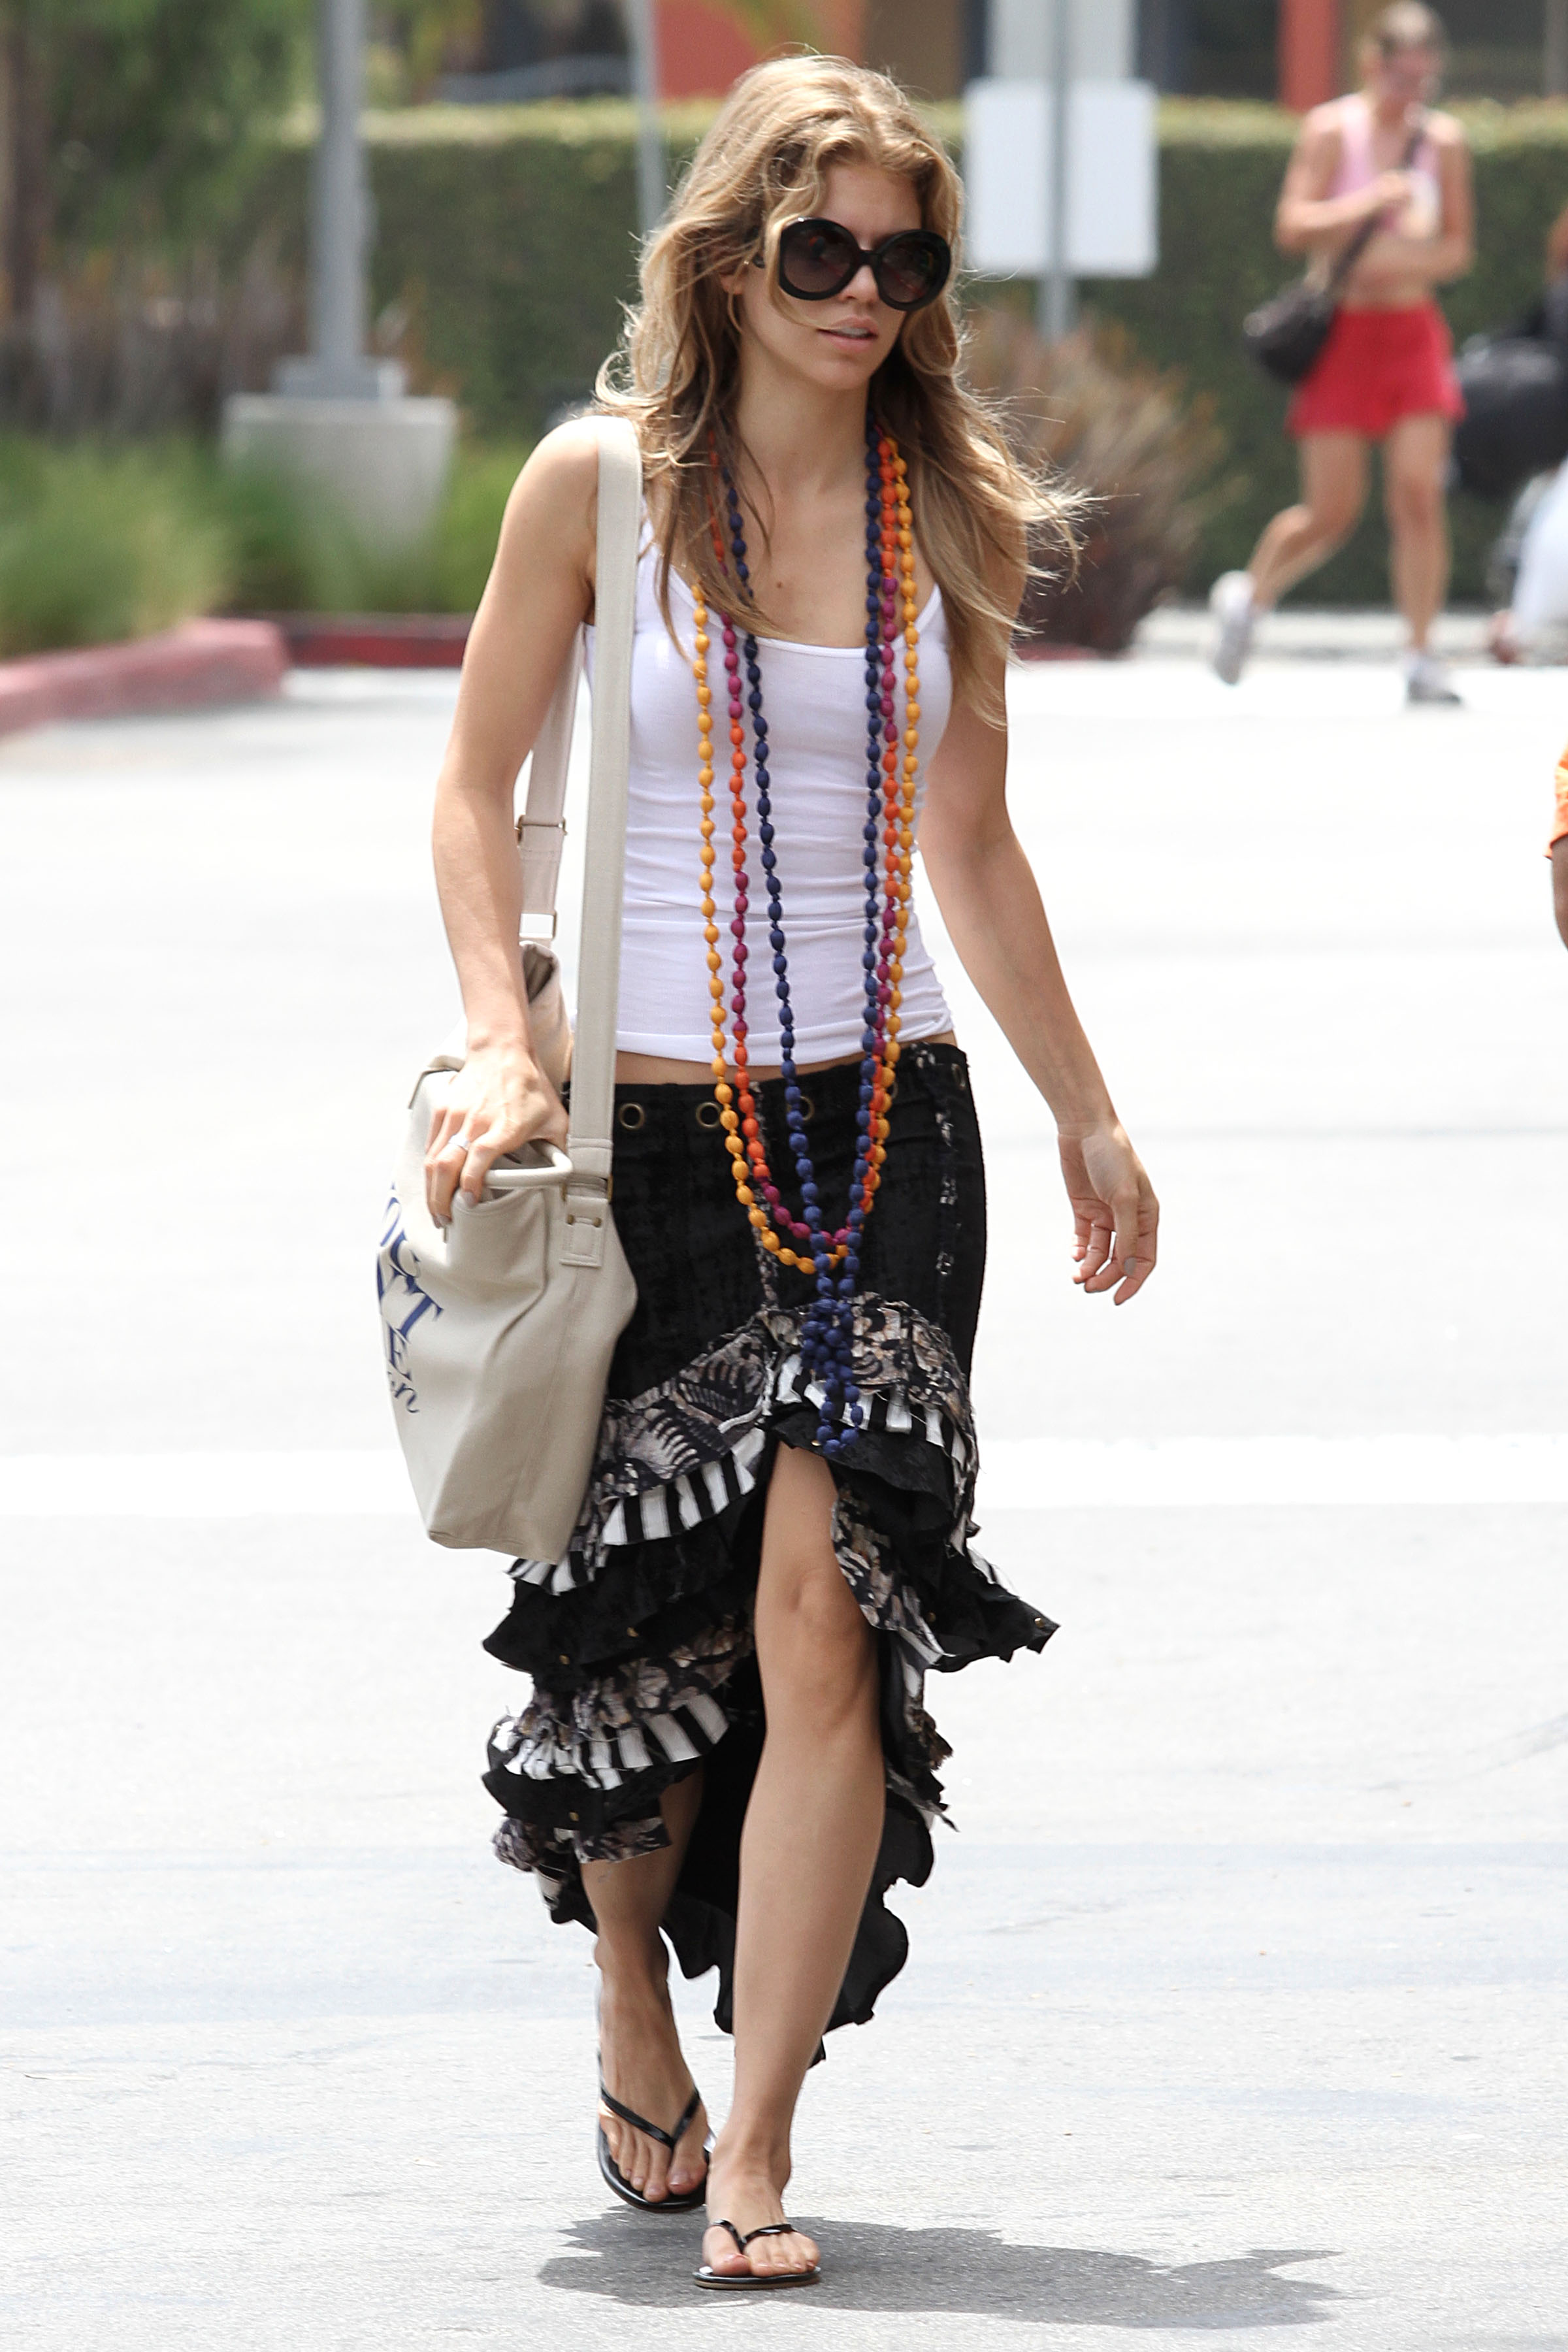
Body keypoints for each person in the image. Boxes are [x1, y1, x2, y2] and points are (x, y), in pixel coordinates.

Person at [423, 56, 1158, 2292]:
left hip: (883, 1127)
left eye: (904, 261)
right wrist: (498, 1039)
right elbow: (471, 789)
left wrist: (1086, 1104)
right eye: (822, 248)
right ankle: (630, 1984)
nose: (864, 293)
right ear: (733, 256)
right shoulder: (598, 488)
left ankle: (758, 2142)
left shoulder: (957, 512)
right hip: (645, 1134)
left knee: (825, 1605)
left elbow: (974, 843)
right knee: (640, 1642)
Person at [1211, 2, 1473, 702]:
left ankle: (1420, 652)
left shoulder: (1442, 141)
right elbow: (1293, 224)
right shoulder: (1333, 130)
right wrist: (1368, 205)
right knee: (1331, 511)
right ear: (1371, 65)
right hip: (1345, 338)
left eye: (1422, 81)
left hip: (1412, 333)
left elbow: (1455, 248)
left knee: (1418, 494)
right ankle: (1249, 600)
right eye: (1400, 78)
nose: (1409, 94)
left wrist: (1393, 262)